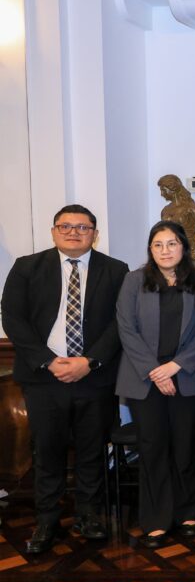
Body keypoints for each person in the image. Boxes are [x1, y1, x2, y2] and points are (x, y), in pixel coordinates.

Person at [1, 205, 129, 554]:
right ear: (54, 231)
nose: (74, 232)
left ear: (95, 234)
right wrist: (48, 361)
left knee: (92, 450)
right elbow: (13, 318)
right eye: (66, 226)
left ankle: (89, 515)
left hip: (94, 376)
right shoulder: (27, 267)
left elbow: (120, 322)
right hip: (44, 377)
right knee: (47, 451)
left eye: (82, 227)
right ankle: (47, 519)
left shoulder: (115, 270)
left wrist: (90, 361)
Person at [115, 221, 195, 548]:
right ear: (150, 249)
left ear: (184, 247)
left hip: (187, 375)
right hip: (144, 378)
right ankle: (156, 519)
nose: (165, 250)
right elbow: (126, 328)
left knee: (185, 445)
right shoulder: (134, 281)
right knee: (152, 447)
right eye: (158, 244)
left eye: (171, 244)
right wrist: (156, 371)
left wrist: (175, 367)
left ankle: (189, 512)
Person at [158, 174, 195, 267]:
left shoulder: (190, 207)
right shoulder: (165, 210)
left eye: (163, 190)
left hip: (191, 251)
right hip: (172, 252)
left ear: (172, 188)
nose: (162, 194)